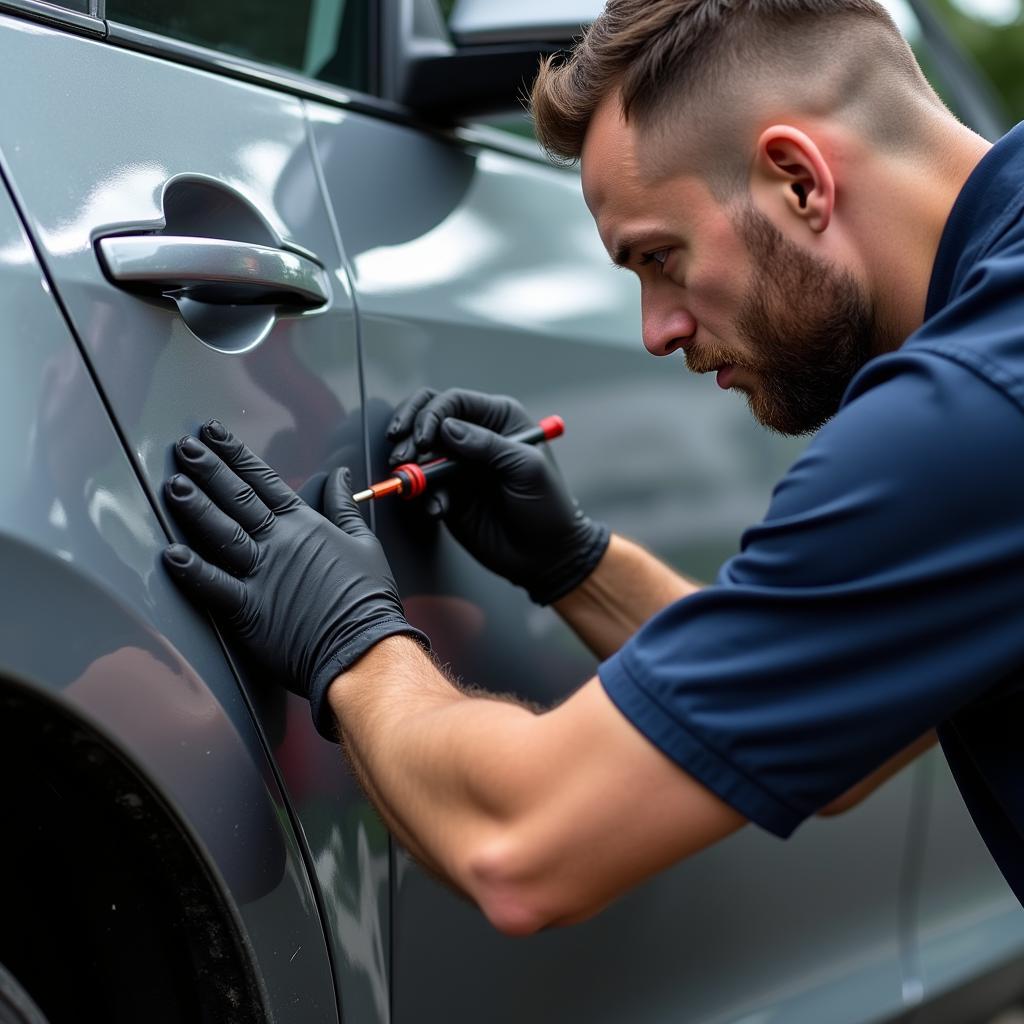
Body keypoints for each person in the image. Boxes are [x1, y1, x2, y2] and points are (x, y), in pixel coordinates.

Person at [160, 0, 1024, 936]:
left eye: (661, 257)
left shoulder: (974, 408)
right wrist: (572, 563)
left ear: (798, 180)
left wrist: (352, 643)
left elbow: (527, 846)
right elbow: (848, 741)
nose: (658, 333)